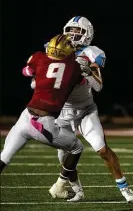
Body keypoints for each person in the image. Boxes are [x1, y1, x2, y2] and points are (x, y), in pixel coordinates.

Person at [40, 16, 133, 203]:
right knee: (64, 154)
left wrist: (86, 71)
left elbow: (99, 86)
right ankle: (78, 191)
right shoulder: (53, 48)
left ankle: (125, 189)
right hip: (61, 111)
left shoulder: (92, 52)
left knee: (102, 150)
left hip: (85, 110)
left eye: (79, 31)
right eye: (71, 30)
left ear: (88, 34)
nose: (74, 34)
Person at [0, 34, 85, 201]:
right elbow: (81, 82)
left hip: (25, 118)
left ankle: (68, 188)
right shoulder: (73, 68)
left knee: (4, 157)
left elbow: (26, 71)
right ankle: (59, 187)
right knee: (76, 148)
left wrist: (38, 74)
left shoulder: (38, 57)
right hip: (44, 124)